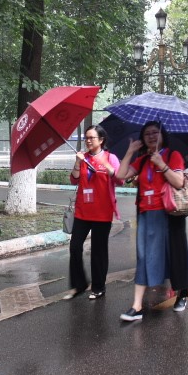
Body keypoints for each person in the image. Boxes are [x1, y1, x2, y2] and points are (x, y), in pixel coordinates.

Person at [115, 121, 188, 321]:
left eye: (155, 132)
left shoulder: (172, 155)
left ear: (162, 135)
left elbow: (179, 182)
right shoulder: (142, 160)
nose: (151, 136)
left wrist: (162, 165)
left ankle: (182, 293)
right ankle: (136, 306)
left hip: (169, 214)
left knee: (174, 256)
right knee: (143, 258)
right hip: (146, 215)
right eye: (147, 134)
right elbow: (120, 175)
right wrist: (130, 151)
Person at [64, 125, 123, 300]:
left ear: (101, 140)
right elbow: (74, 180)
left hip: (102, 212)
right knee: (75, 247)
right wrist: (77, 162)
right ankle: (79, 284)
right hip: (82, 211)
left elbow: (120, 180)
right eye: (86, 138)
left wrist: (108, 168)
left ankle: (98, 287)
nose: (88, 141)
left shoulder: (110, 158)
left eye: (92, 138)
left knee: (98, 251)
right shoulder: (83, 157)